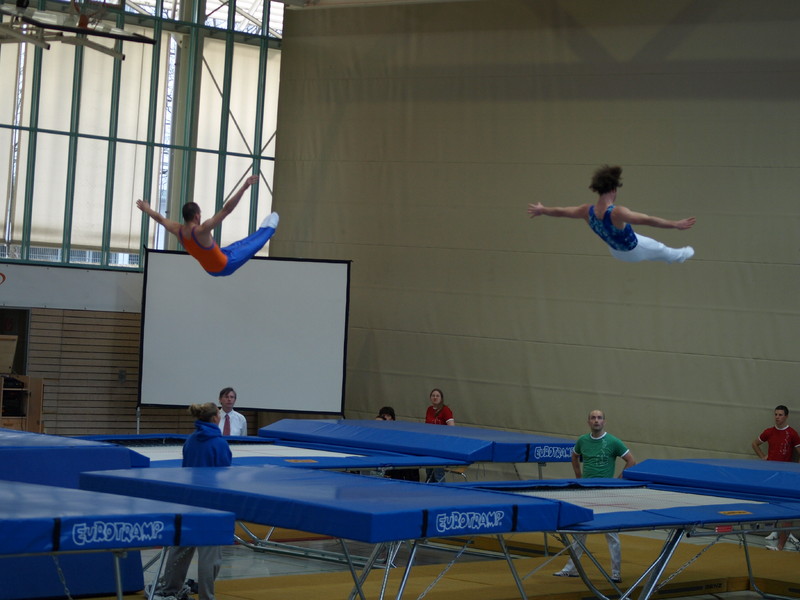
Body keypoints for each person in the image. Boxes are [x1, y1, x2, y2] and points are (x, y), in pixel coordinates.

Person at [148, 402, 232, 600]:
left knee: (181, 548)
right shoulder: (219, 444)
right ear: (215, 418)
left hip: (189, 501)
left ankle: (170, 589)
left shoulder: (191, 440)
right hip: (212, 504)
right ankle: (206, 596)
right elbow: (225, 474)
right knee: (210, 555)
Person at [527, 165, 696, 264]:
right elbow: (648, 220)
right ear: (614, 190)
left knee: (630, 235)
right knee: (659, 248)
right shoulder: (617, 213)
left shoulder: (586, 210)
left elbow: (561, 211)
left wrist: (543, 209)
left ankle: (671, 256)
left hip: (615, 251)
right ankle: (679, 256)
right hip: (632, 251)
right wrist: (675, 224)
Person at [136, 174, 279, 277]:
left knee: (237, 245)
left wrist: (147, 209)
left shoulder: (177, 230)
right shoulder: (202, 230)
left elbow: (160, 219)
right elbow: (226, 210)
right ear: (197, 216)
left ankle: (263, 230)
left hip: (213, 265)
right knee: (251, 246)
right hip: (225, 266)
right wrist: (244, 187)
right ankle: (268, 230)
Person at [554, 409, 636, 583]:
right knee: (579, 531)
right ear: (588, 422)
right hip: (586, 491)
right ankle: (571, 568)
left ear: (604, 422)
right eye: (593, 418)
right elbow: (574, 456)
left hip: (606, 493)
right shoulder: (583, 440)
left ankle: (616, 573)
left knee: (611, 534)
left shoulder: (612, 441)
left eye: (599, 418)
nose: (596, 420)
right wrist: (578, 477)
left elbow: (631, 460)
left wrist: (618, 481)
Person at [751, 404, 800, 551]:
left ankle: (785, 536)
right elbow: (755, 443)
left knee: (785, 505)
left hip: (785, 475)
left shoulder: (792, 433)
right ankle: (774, 530)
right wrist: (763, 457)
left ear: (786, 416)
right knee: (771, 503)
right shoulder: (769, 431)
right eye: (776, 414)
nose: (777, 417)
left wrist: (795, 469)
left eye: (780, 415)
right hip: (770, 473)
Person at [375, 406, 420, 482]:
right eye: (383, 416)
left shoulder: (399, 433)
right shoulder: (374, 434)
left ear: (393, 419)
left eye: (388, 416)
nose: (386, 418)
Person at [424, 388, 454, 483]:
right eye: (433, 396)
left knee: (438, 472)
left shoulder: (445, 410)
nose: (435, 397)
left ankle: (441, 489)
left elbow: (452, 428)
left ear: (441, 398)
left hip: (440, 445)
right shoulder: (429, 409)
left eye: (437, 396)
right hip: (430, 444)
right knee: (429, 471)